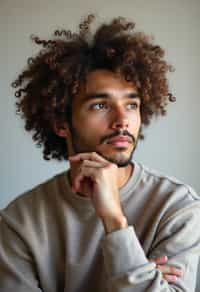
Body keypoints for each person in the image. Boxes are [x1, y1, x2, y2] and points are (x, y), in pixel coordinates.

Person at [0, 14, 199, 292]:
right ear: (61, 123)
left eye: (131, 105)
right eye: (100, 106)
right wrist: (141, 275)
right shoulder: (19, 222)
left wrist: (114, 222)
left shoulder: (177, 208)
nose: (122, 120)